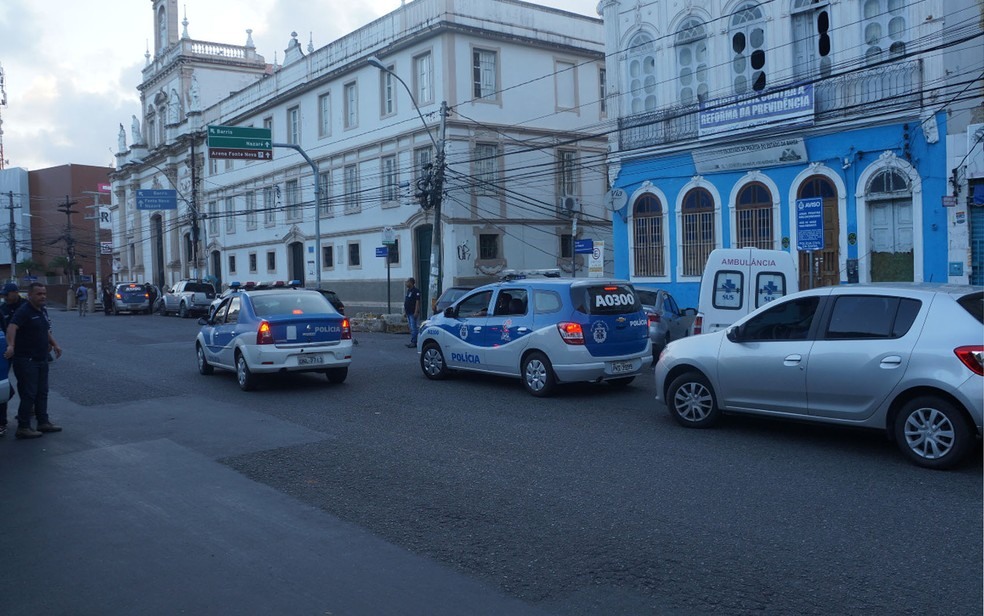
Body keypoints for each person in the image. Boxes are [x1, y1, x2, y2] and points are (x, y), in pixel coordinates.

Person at [4, 282, 63, 439]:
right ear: (30, 295)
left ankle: (43, 422)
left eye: (44, 293)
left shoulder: (41, 310)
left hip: (41, 358)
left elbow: (44, 329)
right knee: (29, 394)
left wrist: (55, 344)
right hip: (26, 360)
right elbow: (11, 327)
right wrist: (11, 345)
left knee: (42, 392)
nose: (42, 296)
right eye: (39, 294)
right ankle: (23, 427)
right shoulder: (24, 311)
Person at [0, 282, 24, 437]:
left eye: (6, 294)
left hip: (21, 350)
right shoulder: (3, 309)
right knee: (3, 386)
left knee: (25, 381)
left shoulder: (25, 306)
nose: (4, 297)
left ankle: (28, 411)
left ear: (14, 293)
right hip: (7, 349)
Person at [404, 277, 421, 348]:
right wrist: (405, 312)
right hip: (408, 312)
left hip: (413, 312)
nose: (406, 283)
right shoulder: (408, 291)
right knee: (411, 328)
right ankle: (413, 341)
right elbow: (407, 301)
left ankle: (414, 342)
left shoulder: (416, 291)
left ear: (411, 282)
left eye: (407, 282)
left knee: (414, 328)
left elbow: (417, 302)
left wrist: (416, 312)